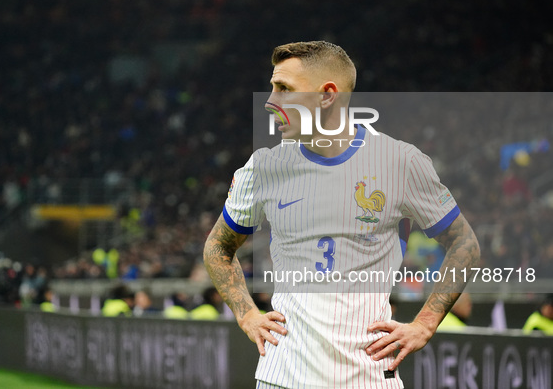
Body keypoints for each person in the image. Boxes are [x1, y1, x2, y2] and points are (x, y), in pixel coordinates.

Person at [203, 41, 480, 388]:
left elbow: (464, 243)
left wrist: (424, 323)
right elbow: (218, 247)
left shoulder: (400, 163)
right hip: (282, 376)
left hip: (369, 377)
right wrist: (246, 316)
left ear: (327, 95)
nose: (270, 102)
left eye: (284, 89)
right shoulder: (264, 167)